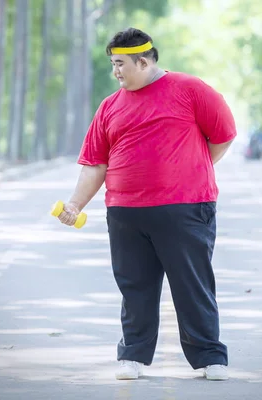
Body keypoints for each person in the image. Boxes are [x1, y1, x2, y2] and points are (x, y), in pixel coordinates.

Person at [57, 27, 237, 381]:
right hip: (125, 214)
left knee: (192, 284)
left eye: (121, 64)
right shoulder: (110, 106)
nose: (116, 72)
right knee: (134, 286)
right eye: (112, 64)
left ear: (143, 60)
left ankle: (210, 357)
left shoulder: (190, 89)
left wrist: (192, 168)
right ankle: (133, 356)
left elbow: (223, 136)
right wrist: (76, 204)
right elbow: (96, 163)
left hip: (185, 210)